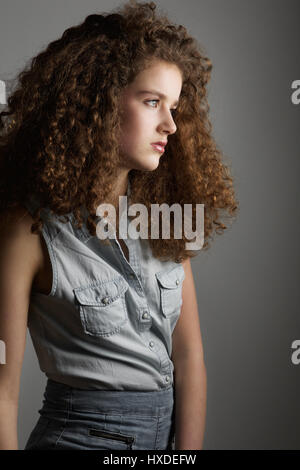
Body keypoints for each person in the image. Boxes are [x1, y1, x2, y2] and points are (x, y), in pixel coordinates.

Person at [0, 0, 238, 450]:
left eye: (174, 106)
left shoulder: (165, 216)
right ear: (100, 100)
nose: (170, 124)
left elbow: (189, 359)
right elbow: (2, 389)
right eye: (152, 102)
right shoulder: (27, 230)